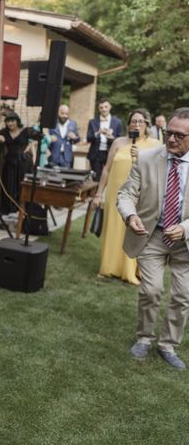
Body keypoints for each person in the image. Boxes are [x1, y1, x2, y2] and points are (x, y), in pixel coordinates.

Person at [117, 107, 189, 370]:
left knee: (183, 295)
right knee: (151, 290)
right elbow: (126, 194)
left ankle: (168, 345)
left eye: (179, 136)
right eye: (169, 133)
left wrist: (185, 229)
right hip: (152, 236)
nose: (171, 139)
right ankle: (145, 338)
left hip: (186, 242)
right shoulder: (146, 159)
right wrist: (130, 215)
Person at [92, 109, 160, 285]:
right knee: (113, 230)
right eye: (133, 121)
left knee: (132, 231)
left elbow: (159, 170)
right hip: (115, 194)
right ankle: (108, 268)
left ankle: (130, 271)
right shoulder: (118, 142)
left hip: (139, 196)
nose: (136, 124)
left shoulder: (155, 144)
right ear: (128, 123)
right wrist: (99, 193)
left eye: (140, 121)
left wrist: (141, 157)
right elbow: (106, 169)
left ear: (147, 124)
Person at [0, 112, 31, 216]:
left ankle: (21, 209)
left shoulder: (25, 131)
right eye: (8, 121)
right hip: (9, 162)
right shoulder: (4, 132)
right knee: (8, 185)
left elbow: (39, 137)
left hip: (22, 162)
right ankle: (9, 209)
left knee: (20, 185)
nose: (10, 123)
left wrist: (30, 147)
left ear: (17, 121)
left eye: (12, 121)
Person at [86, 98, 124, 180]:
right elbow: (88, 138)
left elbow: (121, 140)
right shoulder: (92, 122)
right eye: (101, 107)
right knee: (96, 178)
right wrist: (97, 133)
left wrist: (112, 138)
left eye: (106, 107)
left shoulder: (118, 122)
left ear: (110, 107)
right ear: (98, 109)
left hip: (111, 152)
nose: (104, 109)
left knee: (110, 177)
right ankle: (96, 192)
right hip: (96, 154)